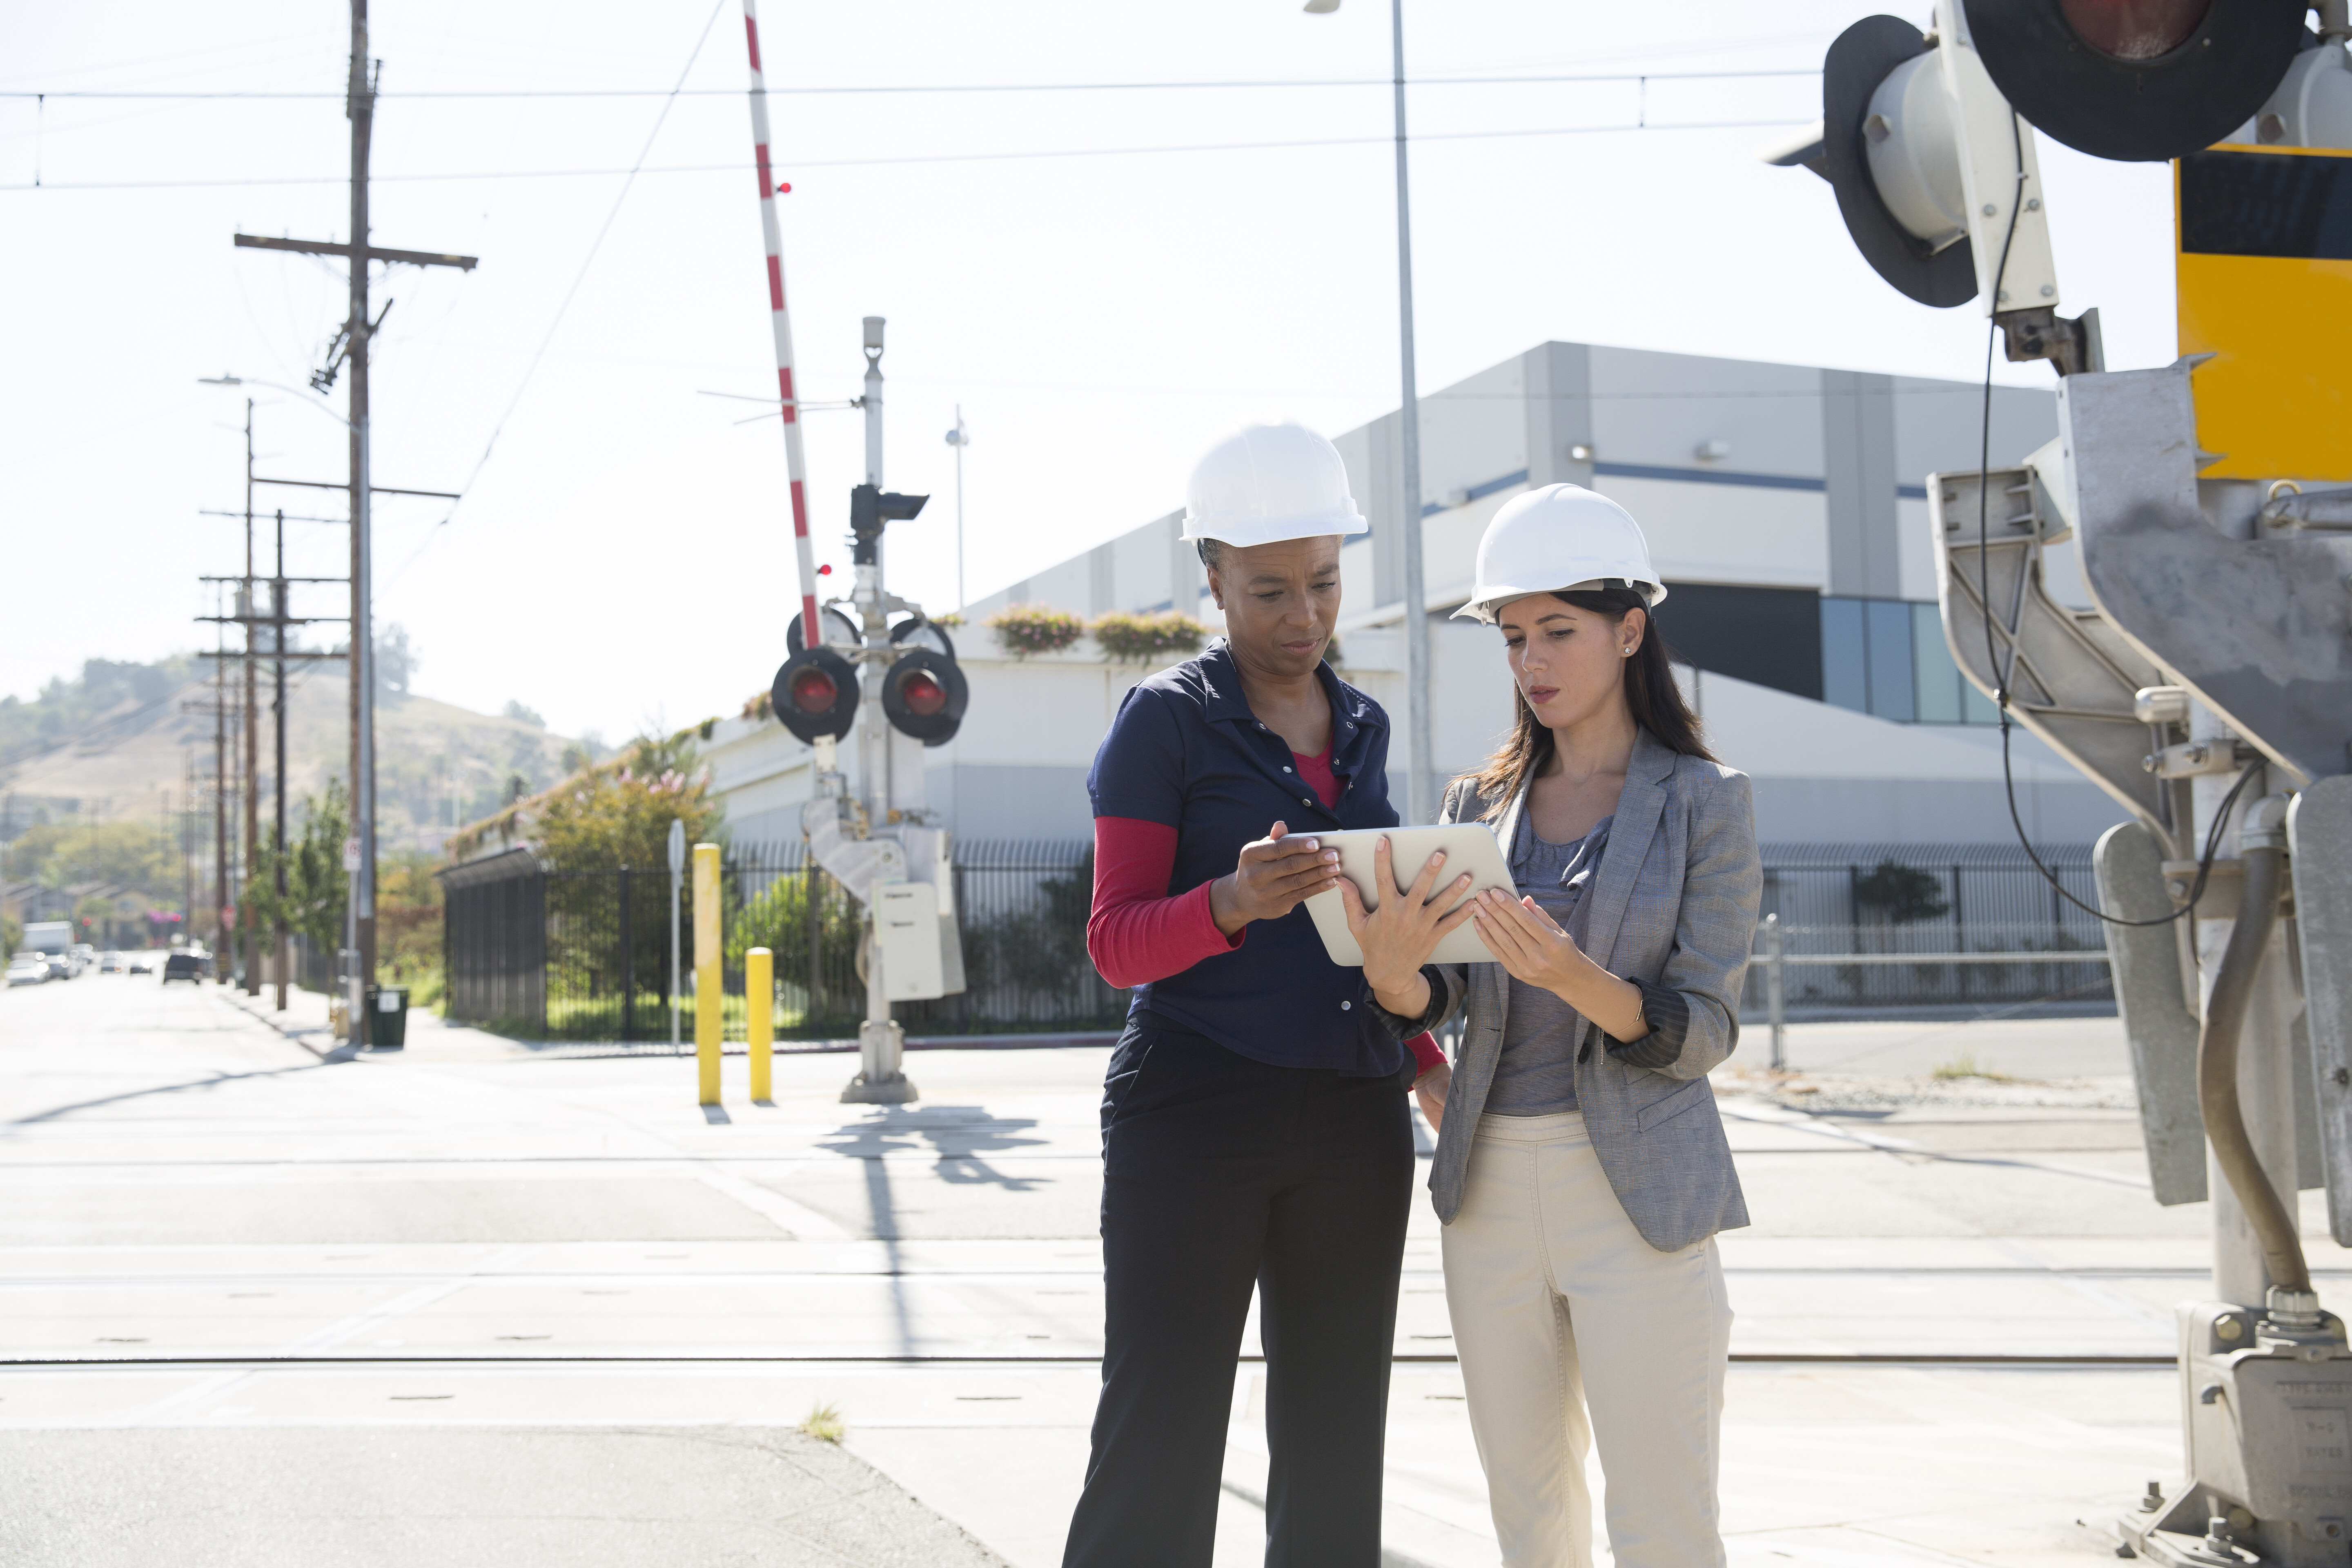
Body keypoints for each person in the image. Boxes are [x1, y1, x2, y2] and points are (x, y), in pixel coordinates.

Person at [1339, 483, 1762, 1568]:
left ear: (1630, 630)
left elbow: (1708, 1028)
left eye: (1558, 632)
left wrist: (1579, 980)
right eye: (1515, 636)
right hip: (1488, 1188)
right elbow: (1453, 995)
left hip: (1636, 1189)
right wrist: (1396, 985)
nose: (1532, 659)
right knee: (1528, 1513)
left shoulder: (1706, 800)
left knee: (1663, 1516)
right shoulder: (1479, 801)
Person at [1063, 420, 1452, 1568]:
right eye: (1270, 589)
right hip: (1194, 1109)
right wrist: (1229, 901)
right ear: (1214, 579)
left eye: (1325, 584)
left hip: (1355, 1117)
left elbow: (1358, 942)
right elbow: (1114, 943)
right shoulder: (1167, 721)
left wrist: (1423, 1064)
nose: (1304, 616)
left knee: (1339, 1441)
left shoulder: (1366, 725)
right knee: (1162, 1434)